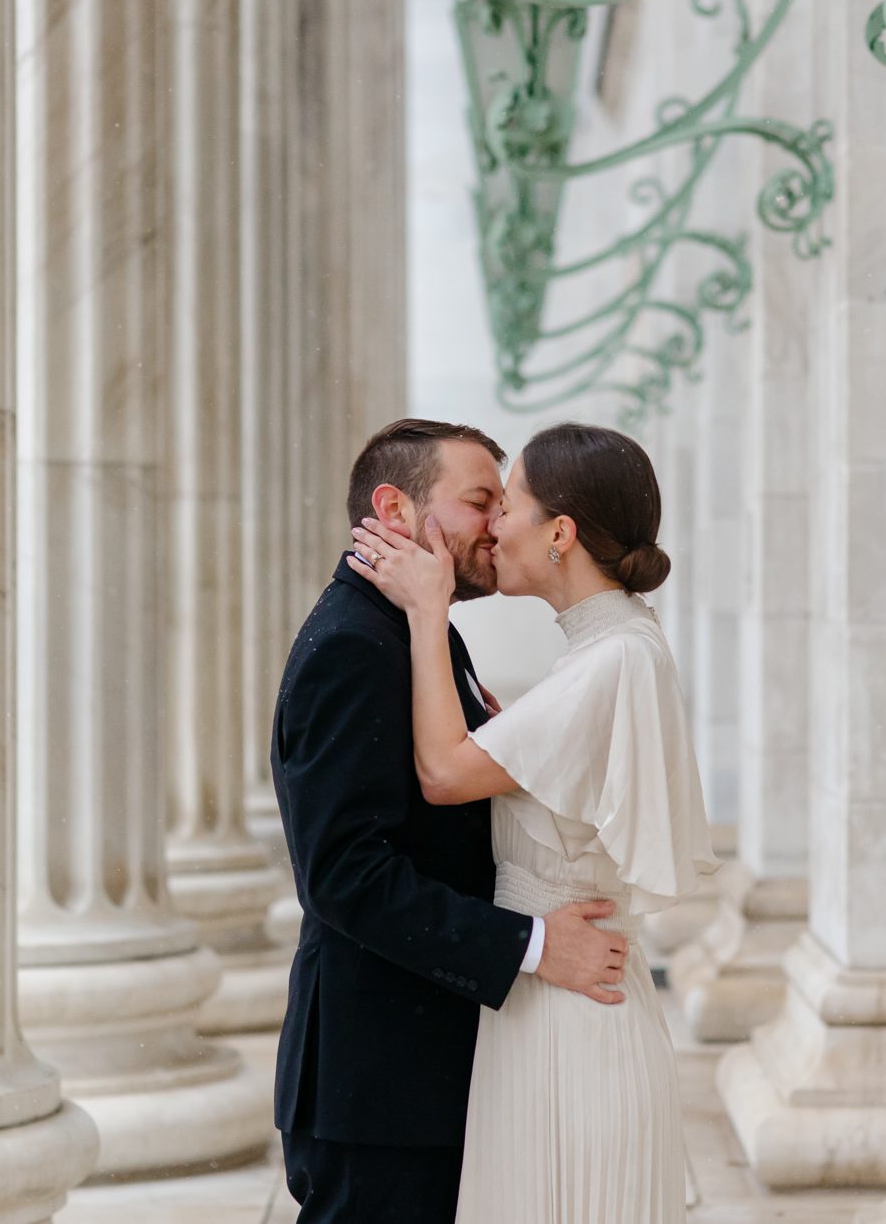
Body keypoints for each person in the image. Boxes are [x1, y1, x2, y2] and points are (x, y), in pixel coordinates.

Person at [348, 420, 716, 1224]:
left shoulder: (614, 655)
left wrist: (424, 609)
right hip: (551, 1005)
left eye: (504, 503)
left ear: (560, 532)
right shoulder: (606, 649)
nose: (491, 526)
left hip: (572, 1018)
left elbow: (444, 773)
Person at [270, 418, 633, 1223]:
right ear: (394, 508)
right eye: (479, 500)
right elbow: (343, 877)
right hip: (379, 1084)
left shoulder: (418, 627)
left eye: (505, 503)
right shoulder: (353, 646)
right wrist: (535, 944)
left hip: (421, 1068)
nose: (497, 523)